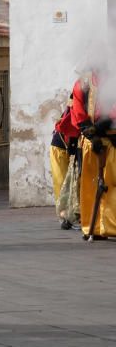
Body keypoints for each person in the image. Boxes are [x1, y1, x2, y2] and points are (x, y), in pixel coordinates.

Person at [71, 69, 116, 239]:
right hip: (91, 142)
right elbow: (78, 111)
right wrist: (90, 132)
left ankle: (111, 226)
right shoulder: (83, 81)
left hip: (112, 140)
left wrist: (98, 128)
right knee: (89, 186)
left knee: (112, 184)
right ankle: (93, 226)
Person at [50, 93, 80, 229]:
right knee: (63, 184)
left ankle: (74, 215)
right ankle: (65, 217)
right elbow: (70, 130)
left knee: (75, 183)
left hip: (72, 147)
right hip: (60, 147)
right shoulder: (76, 111)